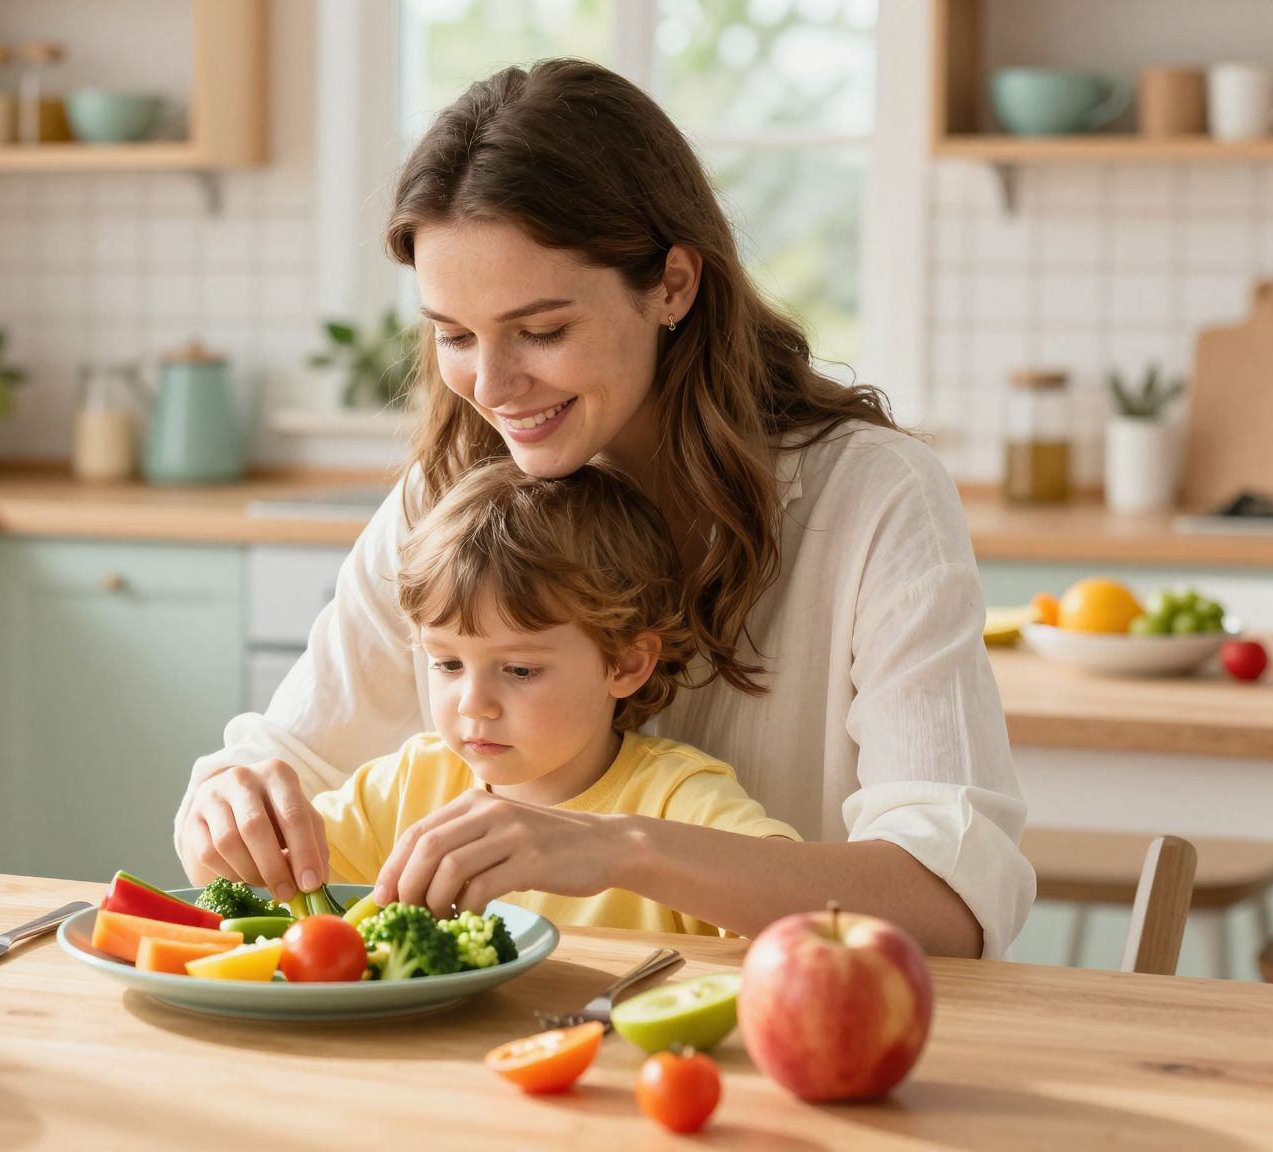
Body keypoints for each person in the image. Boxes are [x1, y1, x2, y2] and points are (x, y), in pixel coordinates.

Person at [176, 58, 1034, 958]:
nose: (494, 387)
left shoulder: (872, 497)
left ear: (672, 284)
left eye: (542, 331)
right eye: (456, 336)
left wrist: (617, 849)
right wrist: (231, 800)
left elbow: (950, 906)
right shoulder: (452, 494)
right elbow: (292, 762)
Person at [316, 458, 801, 935]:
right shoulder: (407, 783)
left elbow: (802, 911)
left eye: (520, 669)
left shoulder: (677, 798)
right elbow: (274, 872)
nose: (472, 703)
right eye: (447, 664)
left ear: (627, 663)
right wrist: (249, 815)